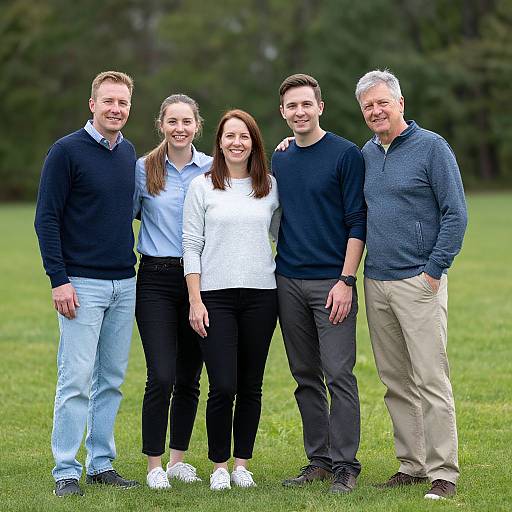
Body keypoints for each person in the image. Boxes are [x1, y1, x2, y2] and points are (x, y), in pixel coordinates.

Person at [355, 69, 467, 500]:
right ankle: (412, 464)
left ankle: (444, 472)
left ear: (400, 103)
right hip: (376, 281)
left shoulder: (432, 148)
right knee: (395, 380)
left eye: (383, 102)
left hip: (419, 281)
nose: (376, 111)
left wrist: (434, 269)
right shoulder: (366, 153)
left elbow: (456, 213)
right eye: (368, 106)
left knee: (430, 379)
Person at [34, 71, 140, 497]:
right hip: (81, 283)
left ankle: (101, 463)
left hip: (124, 282)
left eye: (123, 103)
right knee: (75, 379)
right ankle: (65, 469)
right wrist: (59, 280)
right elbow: (46, 219)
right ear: (92, 104)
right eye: (109, 101)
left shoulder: (127, 152)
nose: (116, 109)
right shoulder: (66, 152)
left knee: (111, 379)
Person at [272, 74, 366, 493]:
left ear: (320, 107)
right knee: (305, 373)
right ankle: (320, 460)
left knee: (338, 374)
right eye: (292, 106)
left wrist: (347, 280)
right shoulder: (281, 159)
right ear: (283, 112)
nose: (300, 112)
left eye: (306, 104)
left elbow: (357, 222)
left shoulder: (346, 155)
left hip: (333, 282)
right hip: (288, 279)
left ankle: (346, 465)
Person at [183, 109, 279, 490]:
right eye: (229, 136)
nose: (237, 142)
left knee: (251, 385)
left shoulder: (269, 186)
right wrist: (195, 299)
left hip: (261, 296)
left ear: (254, 142)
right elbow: (191, 245)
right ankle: (219, 465)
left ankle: (242, 465)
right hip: (214, 297)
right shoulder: (202, 186)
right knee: (223, 385)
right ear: (219, 142)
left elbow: (279, 235)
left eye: (244, 136)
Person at [133, 94, 212, 489]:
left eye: (186, 121)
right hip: (156, 279)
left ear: (197, 125)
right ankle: (154, 464)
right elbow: (121, 215)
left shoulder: (215, 170)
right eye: (172, 121)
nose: (179, 128)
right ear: (161, 124)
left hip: (201, 281)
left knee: (189, 377)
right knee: (160, 375)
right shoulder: (143, 169)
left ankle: (179, 459)